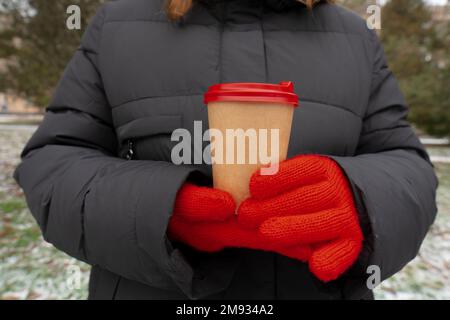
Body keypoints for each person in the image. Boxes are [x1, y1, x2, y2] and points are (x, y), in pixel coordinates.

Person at [14, 0, 438, 300]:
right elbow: (53, 160)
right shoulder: (115, 26)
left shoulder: (355, 37)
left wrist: (361, 202)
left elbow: (406, 164)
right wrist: (157, 211)